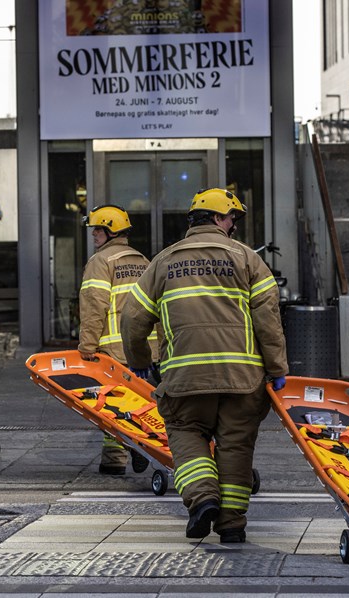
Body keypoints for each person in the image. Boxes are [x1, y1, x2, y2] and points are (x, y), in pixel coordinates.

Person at [121, 188, 287, 544]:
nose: (234, 227)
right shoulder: (247, 259)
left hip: (185, 379)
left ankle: (202, 498)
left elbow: (133, 318)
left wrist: (140, 362)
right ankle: (231, 525)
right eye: (231, 219)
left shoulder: (163, 262)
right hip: (242, 380)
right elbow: (268, 319)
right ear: (216, 218)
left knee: (185, 434)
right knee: (236, 447)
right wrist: (276, 369)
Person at [78, 204, 153, 476]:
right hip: (145, 351)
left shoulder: (101, 262)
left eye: (98, 229)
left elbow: (93, 307)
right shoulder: (143, 261)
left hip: (114, 350)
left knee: (110, 406)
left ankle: (123, 453)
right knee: (139, 404)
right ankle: (116, 458)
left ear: (111, 231)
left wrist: (87, 346)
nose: (94, 234)